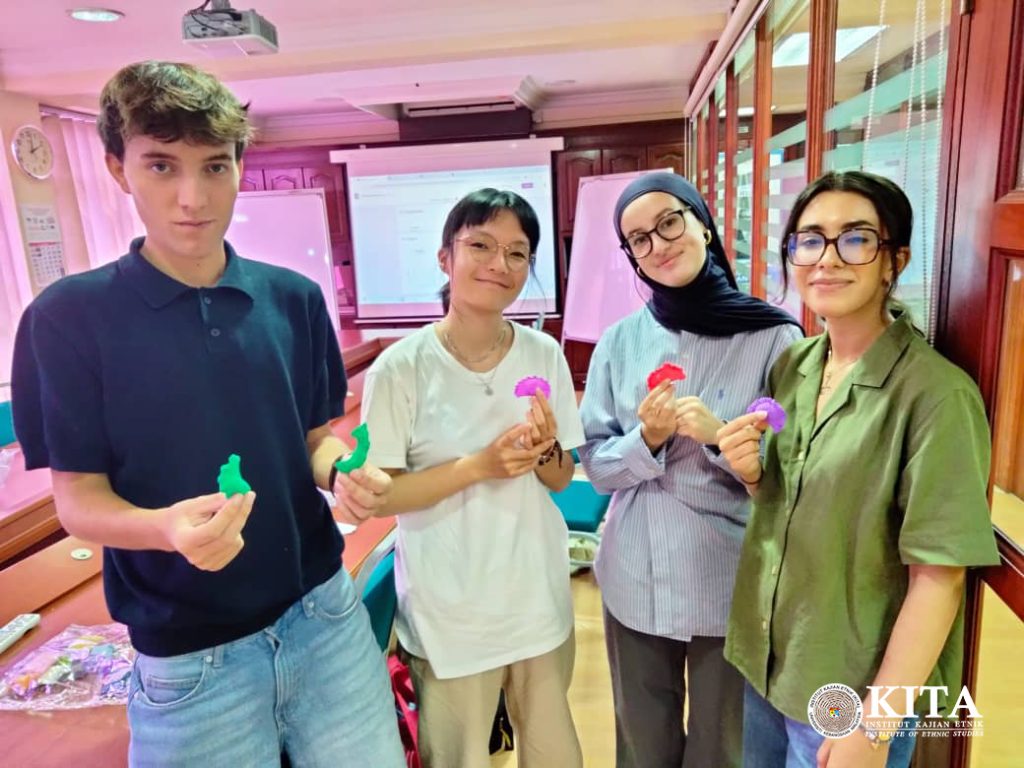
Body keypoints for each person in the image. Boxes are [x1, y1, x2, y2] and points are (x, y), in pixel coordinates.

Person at [11, 61, 404, 767]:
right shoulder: (66, 319)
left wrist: (341, 470)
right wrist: (163, 529)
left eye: (215, 167)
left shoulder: (293, 298)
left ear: (239, 167)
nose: (192, 198)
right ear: (118, 169)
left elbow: (312, 439)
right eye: (161, 166)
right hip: (190, 658)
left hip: (324, 618)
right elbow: (79, 502)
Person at [716, 170, 1001, 768]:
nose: (827, 258)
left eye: (855, 238)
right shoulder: (795, 365)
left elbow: (939, 577)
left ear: (894, 260)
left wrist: (874, 728)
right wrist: (752, 475)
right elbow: (794, 501)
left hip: (847, 686)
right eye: (809, 239)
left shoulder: (936, 396)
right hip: (769, 657)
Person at [577, 172, 803, 768]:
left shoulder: (774, 336)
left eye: (669, 223)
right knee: (641, 744)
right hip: (635, 570)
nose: (658, 244)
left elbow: (793, 472)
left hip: (726, 575)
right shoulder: (619, 342)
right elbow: (595, 466)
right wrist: (646, 440)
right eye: (639, 239)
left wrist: (717, 436)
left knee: (722, 745)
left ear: (702, 223)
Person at [358, 188, 585, 768]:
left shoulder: (543, 354)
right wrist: (477, 467)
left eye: (517, 252)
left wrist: (545, 448)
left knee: (554, 753)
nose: (499, 264)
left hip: (537, 600)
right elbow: (383, 495)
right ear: (445, 258)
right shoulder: (400, 368)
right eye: (480, 245)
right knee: (459, 758)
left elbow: (562, 479)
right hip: (450, 614)